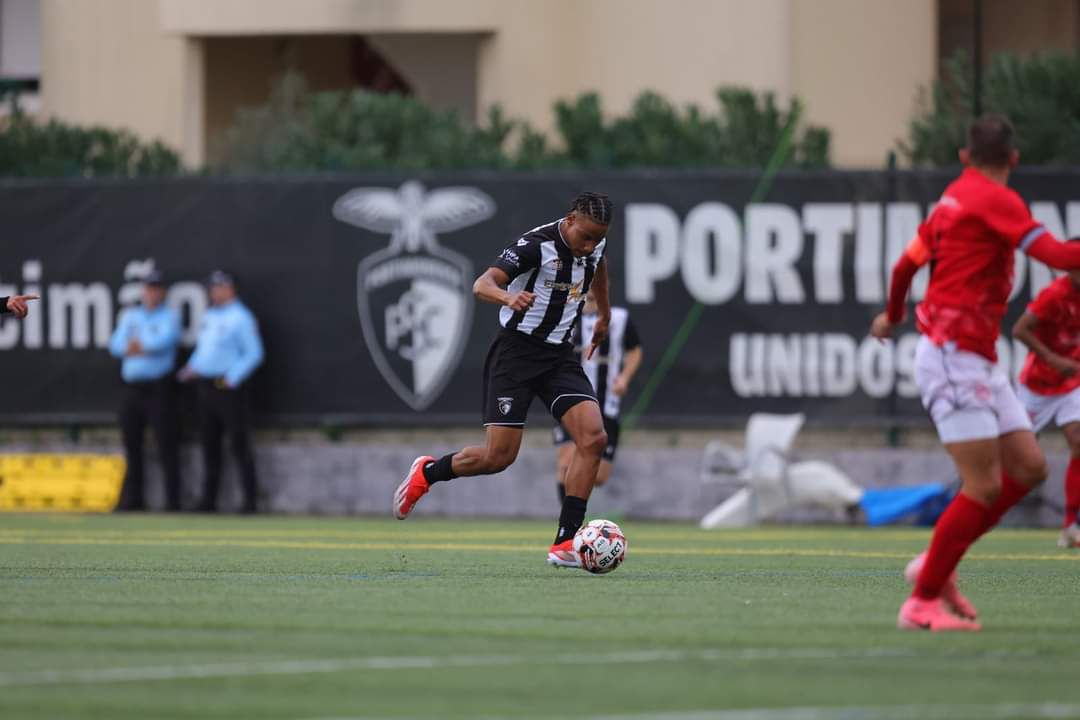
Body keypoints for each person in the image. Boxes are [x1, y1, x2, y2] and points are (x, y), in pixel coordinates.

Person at [871, 114, 1080, 631]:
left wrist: (894, 315)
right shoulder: (998, 200)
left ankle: (938, 566)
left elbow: (905, 266)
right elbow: (1055, 254)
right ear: (1013, 160)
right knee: (983, 485)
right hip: (952, 356)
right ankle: (921, 600)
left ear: (966, 157)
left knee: (1029, 469)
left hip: (976, 357)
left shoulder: (950, 199)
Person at [393, 191, 614, 569]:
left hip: (560, 356)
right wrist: (506, 298)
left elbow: (599, 266)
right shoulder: (534, 246)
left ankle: (565, 542)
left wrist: (604, 316)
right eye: (586, 236)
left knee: (594, 438)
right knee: (498, 458)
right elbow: (482, 284)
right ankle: (428, 472)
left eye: (598, 237)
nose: (590, 245)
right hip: (516, 356)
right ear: (571, 219)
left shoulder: (593, 245)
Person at [178, 270, 264, 513]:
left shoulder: (242, 318)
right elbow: (205, 350)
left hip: (227, 388)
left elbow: (254, 353)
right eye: (211, 288)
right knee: (209, 445)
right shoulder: (211, 316)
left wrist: (232, 378)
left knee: (239, 444)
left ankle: (250, 501)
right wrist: (191, 368)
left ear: (230, 289)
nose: (213, 292)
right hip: (205, 387)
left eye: (218, 287)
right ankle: (209, 500)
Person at [1012, 256, 1080, 548]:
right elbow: (1019, 329)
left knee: (1079, 442)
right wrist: (1052, 359)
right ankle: (976, 509)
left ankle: (1070, 525)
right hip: (1037, 386)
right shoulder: (1054, 295)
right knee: (1018, 457)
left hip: (1071, 383)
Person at [552, 294, 642, 501]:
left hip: (606, 404)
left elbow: (635, 350)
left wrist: (624, 378)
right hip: (571, 400)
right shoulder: (565, 315)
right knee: (565, 463)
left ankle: (574, 508)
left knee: (599, 475)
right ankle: (568, 526)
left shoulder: (619, 317)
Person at [108, 270, 182, 511]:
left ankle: (172, 502)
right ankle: (133, 500)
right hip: (131, 389)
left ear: (162, 291)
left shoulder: (169, 316)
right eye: (148, 288)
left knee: (166, 445)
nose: (152, 293)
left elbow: (162, 343)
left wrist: (138, 346)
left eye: (156, 288)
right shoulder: (131, 316)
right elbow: (116, 345)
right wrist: (140, 347)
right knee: (132, 445)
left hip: (158, 389)